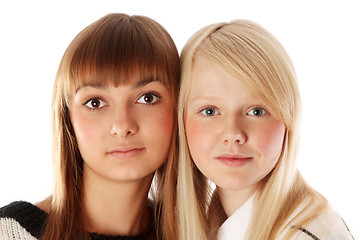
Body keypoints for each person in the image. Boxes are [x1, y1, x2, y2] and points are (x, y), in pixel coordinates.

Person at [0, 13, 179, 240]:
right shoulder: (8, 233)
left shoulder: (200, 233)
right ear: (68, 118)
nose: (122, 126)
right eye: (95, 103)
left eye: (147, 98)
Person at [176, 20, 355, 239]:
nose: (233, 134)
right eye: (210, 111)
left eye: (257, 111)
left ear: (288, 120)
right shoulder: (214, 226)